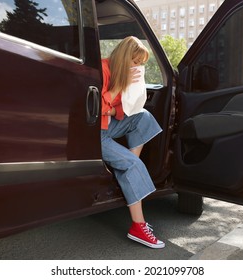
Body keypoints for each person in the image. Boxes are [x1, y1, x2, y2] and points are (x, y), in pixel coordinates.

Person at [101, 36, 165, 249]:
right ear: (124, 57)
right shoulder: (104, 69)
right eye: (135, 61)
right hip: (93, 133)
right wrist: (121, 85)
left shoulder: (126, 74)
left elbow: (125, 111)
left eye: (140, 63)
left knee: (144, 117)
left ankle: (126, 170)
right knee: (134, 165)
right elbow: (97, 108)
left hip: (108, 126)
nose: (137, 66)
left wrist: (131, 89)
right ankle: (138, 226)